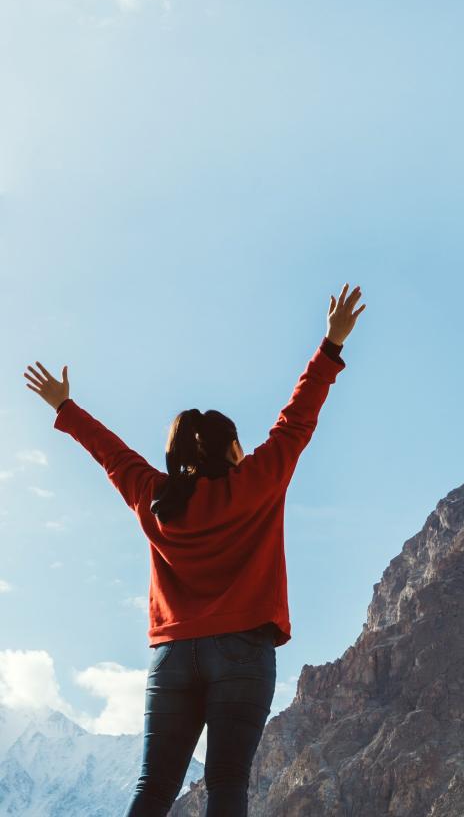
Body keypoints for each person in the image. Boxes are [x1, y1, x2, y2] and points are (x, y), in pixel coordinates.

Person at [23, 283, 366, 816]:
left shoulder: (156, 498)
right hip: (243, 651)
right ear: (233, 449)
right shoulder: (256, 482)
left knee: (151, 790)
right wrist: (330, 346)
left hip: (172, 657)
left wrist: (65, 408)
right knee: (227, 787)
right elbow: (296, 419)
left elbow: (112, 455)